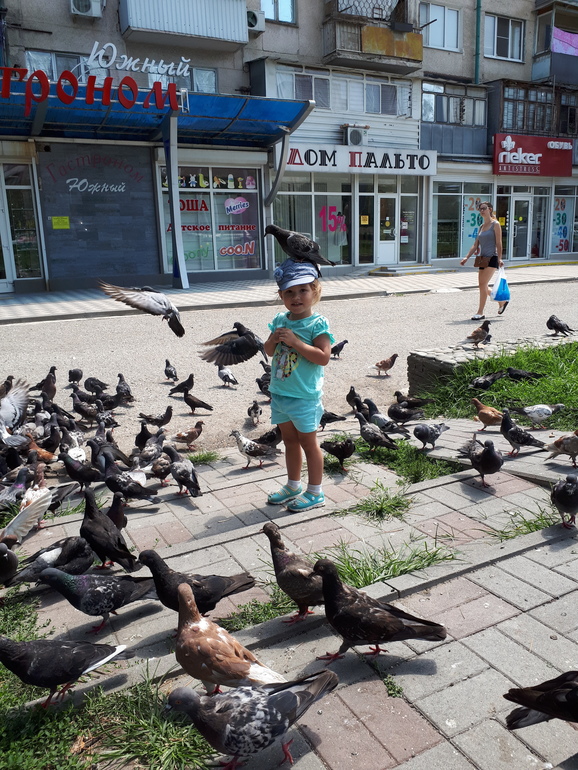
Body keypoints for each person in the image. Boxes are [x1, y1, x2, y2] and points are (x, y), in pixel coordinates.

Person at [263, 259, 334, 512]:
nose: (296, 297)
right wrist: (273, 339)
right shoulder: (280, 319)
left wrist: (296, 342)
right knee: (289, 442)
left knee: (309, 443)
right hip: (280, 394)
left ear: (314, 291)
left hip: (304, 396)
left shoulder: (317, 324)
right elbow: (269, 351)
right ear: (281, 295)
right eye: (289, 292)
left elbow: (323, 357)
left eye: (303, 290)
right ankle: (293, 485)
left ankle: (315, 492)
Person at [460, 202, 508, 320]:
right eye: (480, 209)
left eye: (483, 208)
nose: (481, 211)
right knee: (482, 285)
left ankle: (480, 312)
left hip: (492, 257)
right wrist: (466, 257)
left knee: (483, 284)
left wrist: (500, 258)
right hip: (482, 259)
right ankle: (501, 301)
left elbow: (499, 243)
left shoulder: (495, 224)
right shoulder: (481, 226)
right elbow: (475, 244)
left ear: (490, 209)